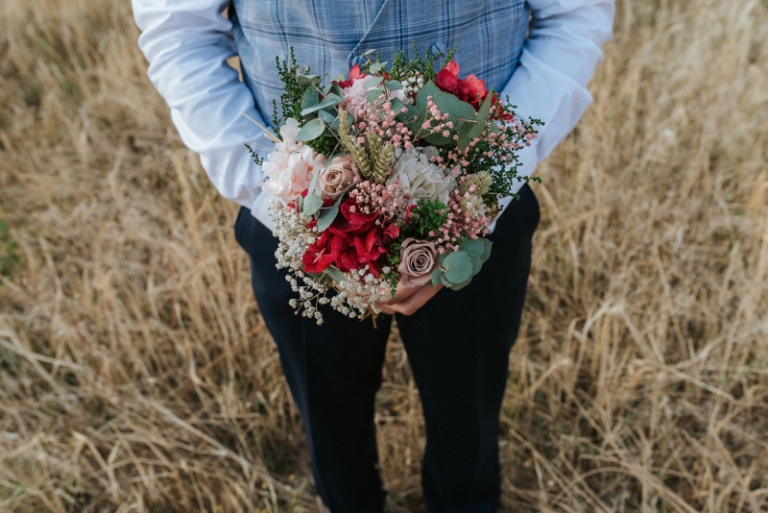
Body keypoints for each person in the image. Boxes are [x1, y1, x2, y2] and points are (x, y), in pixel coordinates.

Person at [131, 1, 614, 511]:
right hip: (292, 216)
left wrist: (484, 190)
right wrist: (286, 205)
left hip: (479, 212)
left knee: (468, 415)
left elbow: (573, 16)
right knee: (330, 417)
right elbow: (179, 34)